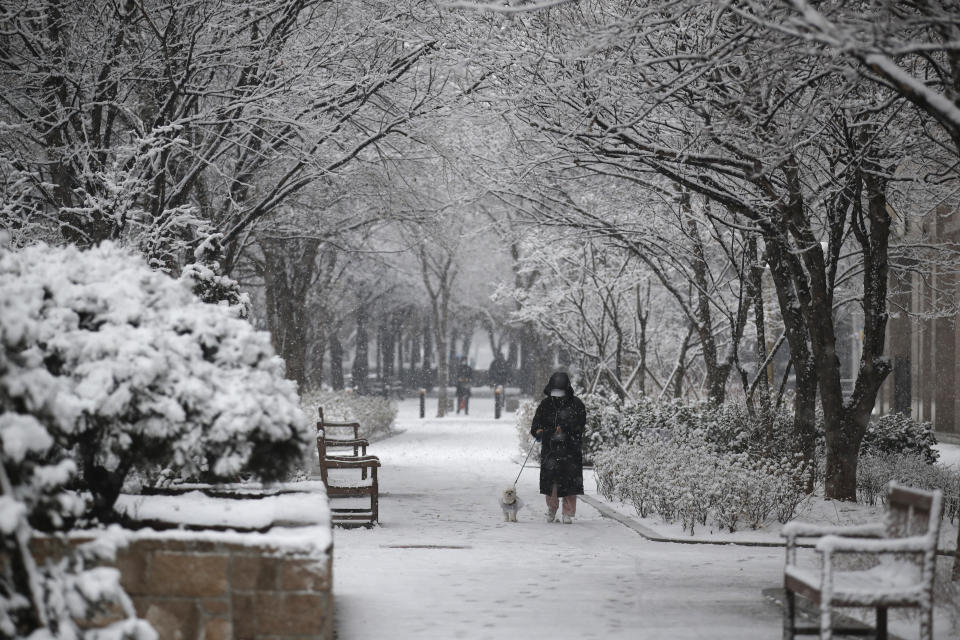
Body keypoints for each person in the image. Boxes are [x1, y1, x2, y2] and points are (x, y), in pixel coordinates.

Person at [529, 371, 586, 523]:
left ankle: (568, 512)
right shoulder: (545, 405)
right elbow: (536, 425)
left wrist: (565, 429)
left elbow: (580, 426)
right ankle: (551, 509)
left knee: (570, 482)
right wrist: (539, 431)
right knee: (551, 482)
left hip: (570, 450)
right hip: (551, 450)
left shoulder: (577, 405)